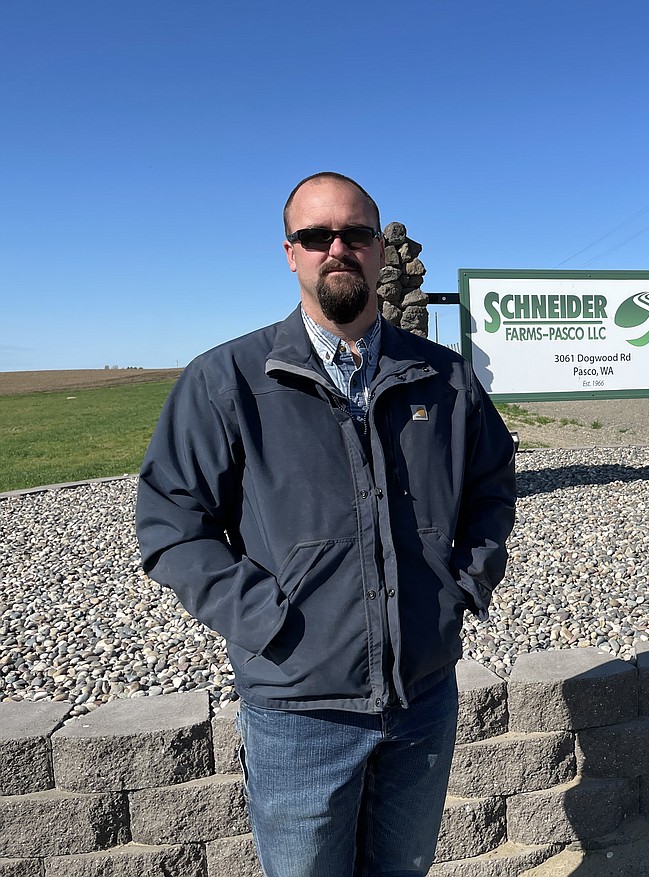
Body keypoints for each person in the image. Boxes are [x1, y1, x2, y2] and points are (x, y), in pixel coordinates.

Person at [136, 172, 517, 876]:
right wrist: (268, 620)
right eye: (317, 236)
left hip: (422, 697)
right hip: (297, 713)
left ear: (377, 249)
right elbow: (170, 526)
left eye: (356, 234)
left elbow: (492, 484)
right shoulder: (228, 381)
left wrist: (464, 581)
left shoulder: (444, 378)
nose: (336, 248)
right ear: (290, 253)